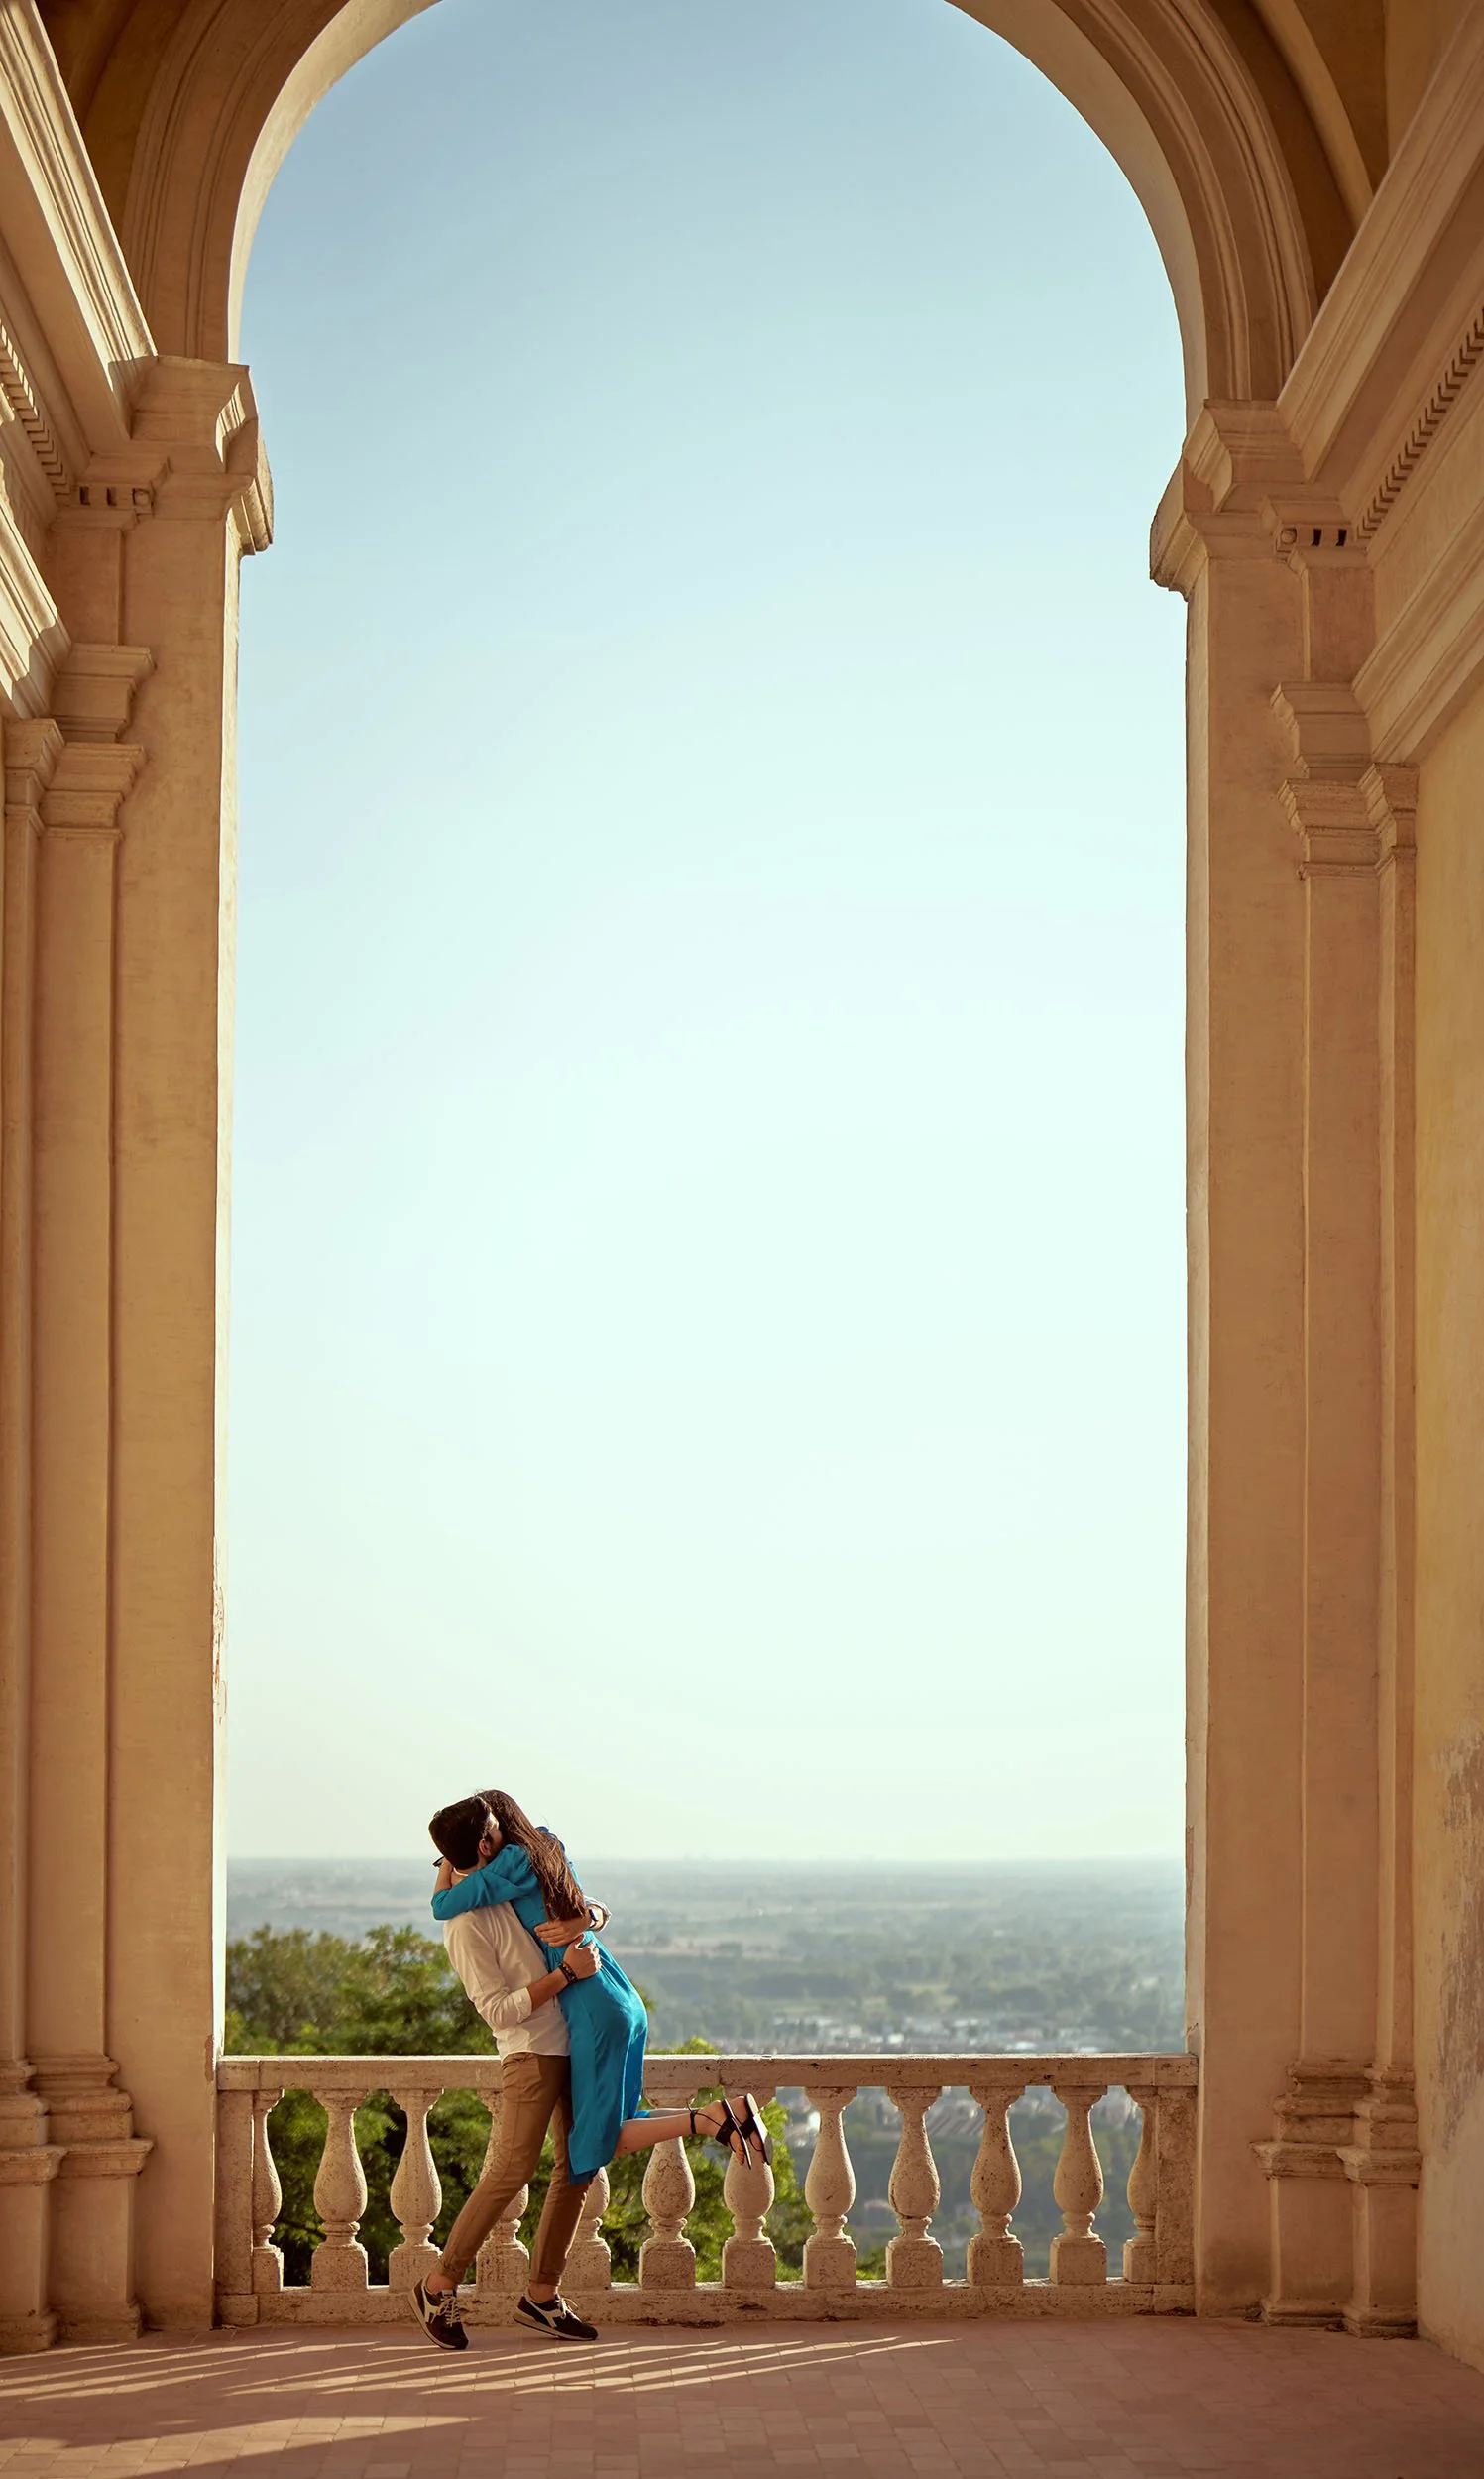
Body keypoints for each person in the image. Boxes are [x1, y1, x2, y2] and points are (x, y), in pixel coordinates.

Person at [409, 1788, 767, 2354]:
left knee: (576, 2169)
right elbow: (497, 2009)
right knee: (511, 2170)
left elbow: (571, 1900)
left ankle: (542, 2296)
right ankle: (439, 2284)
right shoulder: (466, 1921)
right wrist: (568, 1976)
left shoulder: (505, 1878)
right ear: (481, 1844)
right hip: (530, 2051)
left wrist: (592, 1915)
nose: (506, 1827)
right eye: (495, 1826)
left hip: (571, 2039)